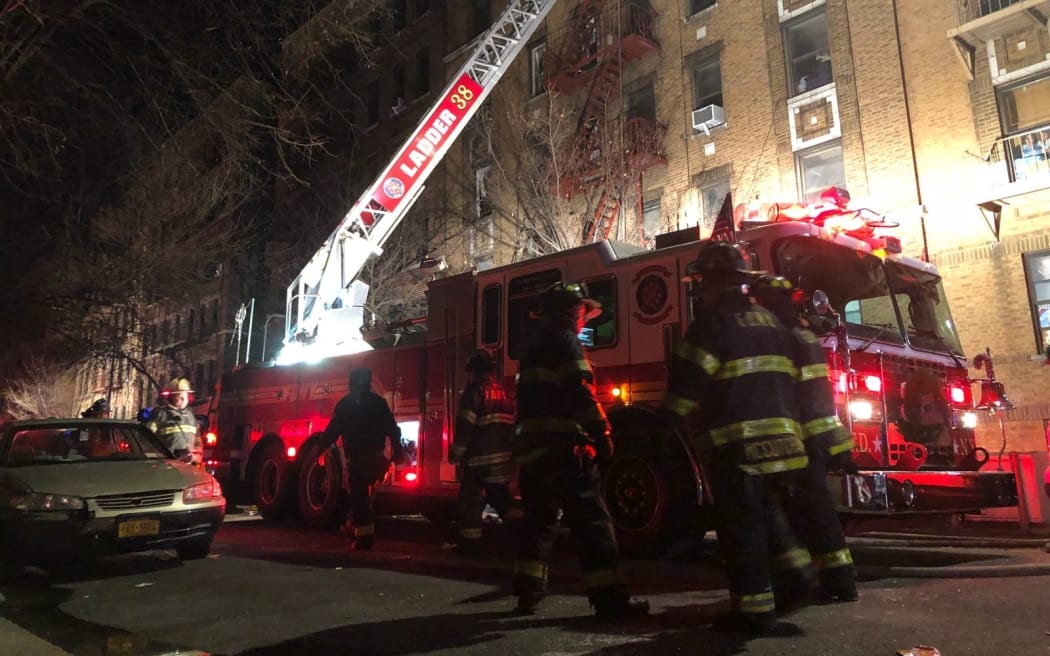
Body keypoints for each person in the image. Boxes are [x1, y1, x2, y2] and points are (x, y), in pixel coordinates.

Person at [662, 241, 811, 635]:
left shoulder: (711, 324)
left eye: (703, 281)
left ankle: (754, 612)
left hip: (739, 446)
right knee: (770, 515)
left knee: (740, 528)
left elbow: (687, 387)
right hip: (786, 443)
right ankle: (797, 575)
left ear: (710, 281)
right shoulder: (771, 322)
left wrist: (665, 423)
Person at [511, 281, 649, 620]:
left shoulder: (533, 347)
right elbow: (579, 391)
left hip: (533, 452)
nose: (583, 319)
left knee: (539, 522)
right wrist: (601, 433)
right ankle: (611, 600)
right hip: (564, 451)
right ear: (570, 312)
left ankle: (528, 594)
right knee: (593, 523)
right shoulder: (567, 341)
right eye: (581, 312)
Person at [750, 275, 858, 604]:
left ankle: (800, 582)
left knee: (797, 510)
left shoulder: (780, 338)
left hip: (801, 437)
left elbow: (778, 392)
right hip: (822, 434)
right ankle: (839, 580)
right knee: (817, 510)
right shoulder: (805, 335)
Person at [317, 367, 403, 551]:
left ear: (352, 382)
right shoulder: (379, 403)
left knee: (359, 497)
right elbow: (393, 429)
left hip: (357, 459)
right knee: (364, 496)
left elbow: (333, 430)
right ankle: (354, 528)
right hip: (377, 459)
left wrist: (319, 449)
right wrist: (398, 454)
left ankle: (363, 539)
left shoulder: (346, 403)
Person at [448, 349, 517, 557]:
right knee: (503, 500)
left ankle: (471, 547)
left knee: (471, 503)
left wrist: (456, 455)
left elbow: (465, 428)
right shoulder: (504, 394)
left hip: (478, 461)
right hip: (502, 461)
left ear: (475, 371)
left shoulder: (474, 393)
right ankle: (521, 536)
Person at [145, 378, 200, 463]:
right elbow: (147, 440)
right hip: (165, 464)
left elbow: (197, 440)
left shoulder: (190, 416)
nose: (184, 399)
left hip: (187, 467)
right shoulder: (160, 414)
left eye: (185, 396)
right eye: (180, 396)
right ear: (171, 397)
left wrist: (195, 458)